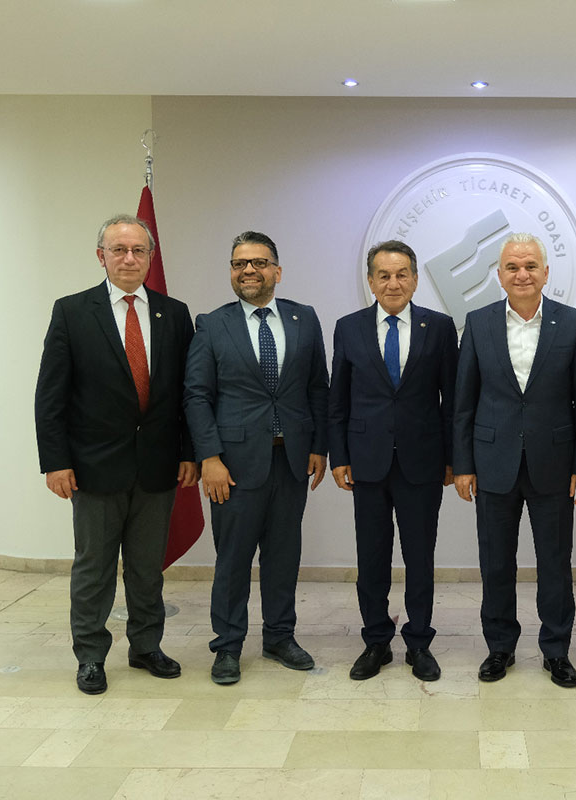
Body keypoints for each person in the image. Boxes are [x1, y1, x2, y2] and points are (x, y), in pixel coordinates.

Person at [35, 214, 195, 695]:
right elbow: (50, 396)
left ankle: (146, 646)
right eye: (118, 250)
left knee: (147, 569)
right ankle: (90, 655)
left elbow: (187, 394)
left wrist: (189, 452)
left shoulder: (175, 313)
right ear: (100, 256)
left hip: (158, 467)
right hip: (93, 468)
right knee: (94, 569)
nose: (129, 258)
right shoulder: (72, 311)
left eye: (138, 250)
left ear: (150, 257)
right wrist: (55, 461)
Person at [183, 230, 329, 685]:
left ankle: (279, 637)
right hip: (233, 466)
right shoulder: (212, 324)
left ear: (277, 271)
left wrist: (319, 446)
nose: (249, 270)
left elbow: (318, 388)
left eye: (259, 262)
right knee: (233, 560)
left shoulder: (305, 318)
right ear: (231, 272)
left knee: (284, 556)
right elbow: (196, 395)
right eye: (239, 263)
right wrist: (209, 458)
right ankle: (227, 646)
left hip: (292, 461)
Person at [452, 232, 576, 688]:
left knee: (555, 562)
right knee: (496, 562)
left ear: (546, 273)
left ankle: (556, 650)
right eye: (513, 267)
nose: (522, 274)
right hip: (492, 463)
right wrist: (463, 464)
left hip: (554, 464)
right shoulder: (477, 323)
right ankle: (500, 647)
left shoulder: (571, 323)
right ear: (499, 275)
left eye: (531, 266)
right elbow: (463, 403)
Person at [328, 240, 458, 682]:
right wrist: (339, 456)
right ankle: (376, 641)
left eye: (402, 274)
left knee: (420, 558)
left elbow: (451, 401)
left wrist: (452, 458)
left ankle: (419, 642)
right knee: (372, 558)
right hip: (366, 462)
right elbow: (338, 400)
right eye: (383, 275)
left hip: (423, 462)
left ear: (415, 280)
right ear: (371, 281)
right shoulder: (348, 328)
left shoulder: (439, 328)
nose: (393, 283)